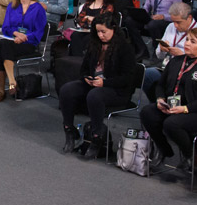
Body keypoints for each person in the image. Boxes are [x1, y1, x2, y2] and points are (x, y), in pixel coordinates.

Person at [139, 26, 197, 172]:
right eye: (187, 40)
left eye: (193, 41)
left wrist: (185, 109)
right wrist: (160, 99)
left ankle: (189, 155)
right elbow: (160, 84)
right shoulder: (176, 61)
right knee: (147, 112)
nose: (187, 44)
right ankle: (164, 149)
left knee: (171, 123)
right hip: (173, 105)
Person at [59, 12, 139, 157]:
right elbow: (83, 69)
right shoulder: (94, 44)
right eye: (98, 32)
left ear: (113, 29)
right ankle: (69, 129)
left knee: (95, 95)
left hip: (116, 89)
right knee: (67, 90)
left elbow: (128, 78)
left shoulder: (124, 48)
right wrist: (86, 78)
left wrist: (105, 82)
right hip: (94, 83)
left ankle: (97, 137)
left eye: (104, 32)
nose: (101, 35)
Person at [0, 0, 47, 102]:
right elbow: (6, 27)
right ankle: (11, 82)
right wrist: (16, 33)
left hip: (29, 43)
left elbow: (39, 32)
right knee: (2, 47)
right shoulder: (12, 6)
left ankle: (2, 89)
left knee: (0, 50)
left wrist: (24, 38)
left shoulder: (38, 8)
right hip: (12, 41)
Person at [142, 3, 197, 97]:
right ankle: (157, 102)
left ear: (189, 18)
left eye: (179, 22)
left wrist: (182, 55)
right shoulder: (170, 27)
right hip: (167, 67)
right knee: (147, 74)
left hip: (187, 73)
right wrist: (162, 49)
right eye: (173, 22)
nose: (175, 25)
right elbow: (159, 56)